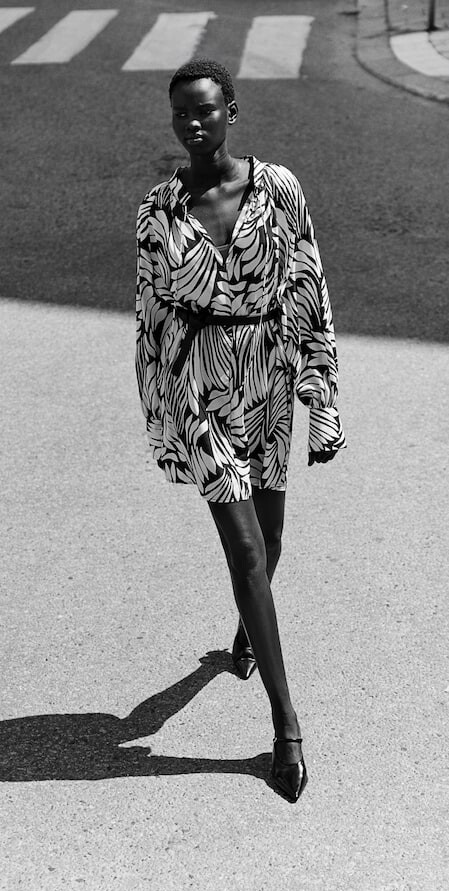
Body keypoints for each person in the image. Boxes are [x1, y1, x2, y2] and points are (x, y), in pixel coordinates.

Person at [135, 59, 346, 802]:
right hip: (199, 386)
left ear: (231, 109)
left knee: (272, 540)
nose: (192, 123)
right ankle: (286, 726)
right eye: (180, 113)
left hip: (268, 377)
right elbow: (151, 317)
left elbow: (309, 287)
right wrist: (162, 421)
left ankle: (245, 632)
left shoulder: (279, 188)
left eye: (205, 109)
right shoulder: (158, 210)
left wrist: (321, 397)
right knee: (248, 551)